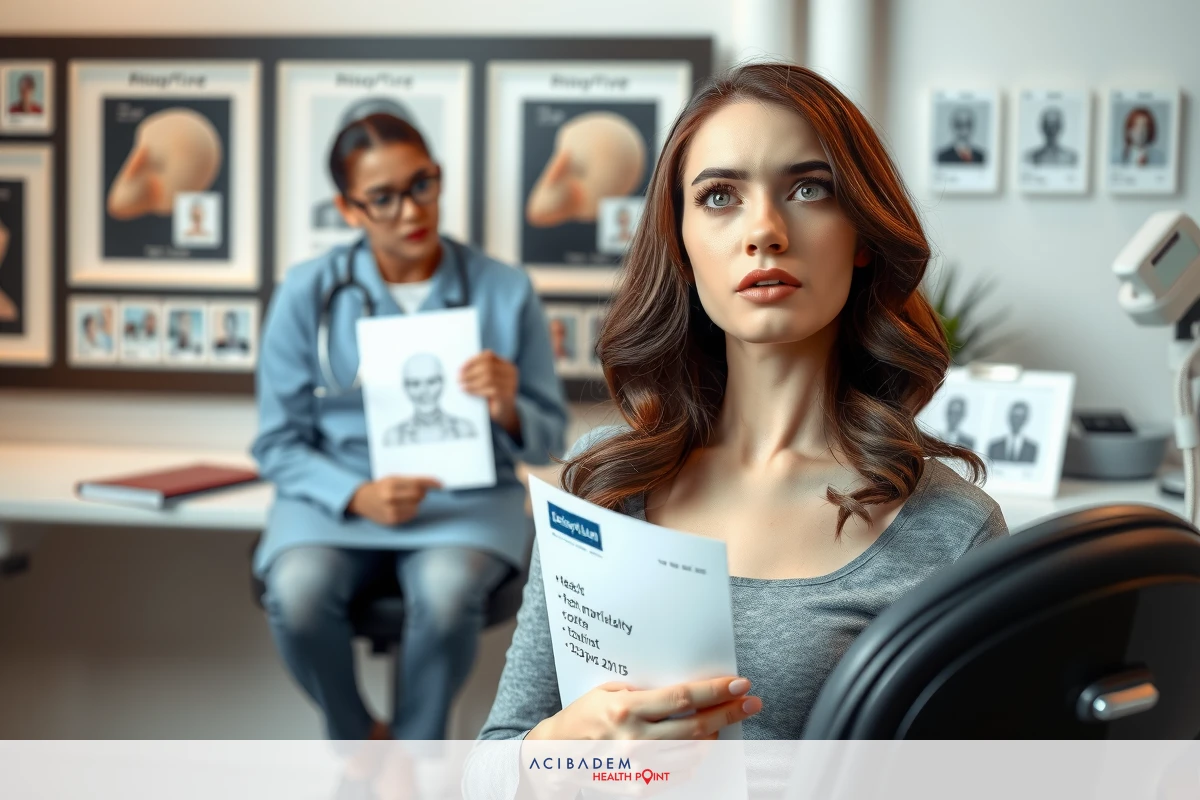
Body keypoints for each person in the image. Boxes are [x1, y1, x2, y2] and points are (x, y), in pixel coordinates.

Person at [472, 62, 1008, 787]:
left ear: (861, 234)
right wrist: (572, 741)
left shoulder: (951, 528)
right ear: (683, 245)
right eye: (720, 196)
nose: (765, 230)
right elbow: (489, 768)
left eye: (809, 189)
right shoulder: (603, 481)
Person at [252, 113, 567, 751]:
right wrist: (354, 493)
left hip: (464, 502)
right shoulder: (307, 294)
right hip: (337, 501)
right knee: (298, 591)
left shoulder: (504, 291)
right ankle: (362, 740)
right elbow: (276, 443)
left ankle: (414, 762)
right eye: (383, 197)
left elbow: (547, 438)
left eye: (422, 185)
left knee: (448, 594)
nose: (410, 211)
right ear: (348, 208)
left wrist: (507, 405)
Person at [382, 353, 477, 444]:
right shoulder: (393, 437)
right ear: (405, 387)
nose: (424, 391)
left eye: (432, 382)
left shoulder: (465, 429)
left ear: (443, 382)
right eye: (415, 383)